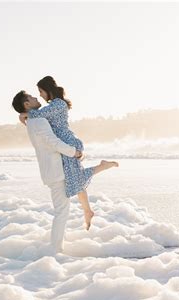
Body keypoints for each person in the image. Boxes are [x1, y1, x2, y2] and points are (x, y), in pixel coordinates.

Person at [19, 76, 118, 230]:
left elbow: (36, 115)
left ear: (48, 90)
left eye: (40, 91)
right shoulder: (55, 104)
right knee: (75, 180)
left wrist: (23, 115)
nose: (39, 95)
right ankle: (88, 211)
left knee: (75, 180)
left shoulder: (58, 104)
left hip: (69, 145)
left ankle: (102, 168)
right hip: (66, 145)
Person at [12, 90, 82, 253]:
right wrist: (74, 152)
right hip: (56, 172)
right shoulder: (39, 121)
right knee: (62, 211)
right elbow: (54, 143)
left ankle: (57, 245)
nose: (36, 98)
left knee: (62, 210)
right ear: (26, 104)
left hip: (50, 171)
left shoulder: (31, 121)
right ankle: (56, 249)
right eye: (31, 97)